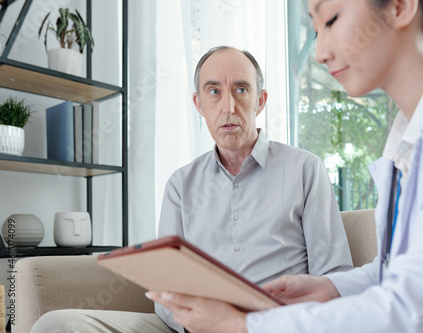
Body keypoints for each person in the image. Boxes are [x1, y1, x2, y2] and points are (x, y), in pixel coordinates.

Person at [149, 0, 423, 332]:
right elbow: (399, 273)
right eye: (316, 29)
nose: (319, 53)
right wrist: (330, 288)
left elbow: (415, 306)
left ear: (400, 5)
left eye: (331, 19)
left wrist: (244, 326)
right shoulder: (412, 135)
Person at [31, 46, 352, 333]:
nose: (228, 106)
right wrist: (198, 322)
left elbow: (335, 277)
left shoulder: (304, 169)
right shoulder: (180, 184)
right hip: (190, 327)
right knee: (56, 325)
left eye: (241, 89)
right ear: (199, 104)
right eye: (214, 91)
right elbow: (165, 287)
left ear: (260, 101)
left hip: (271, 325)